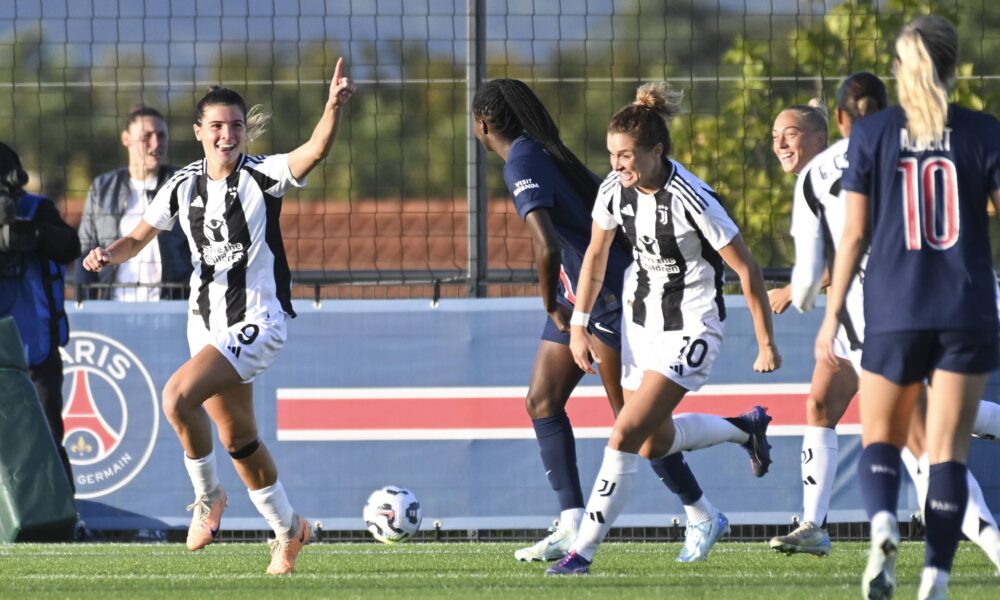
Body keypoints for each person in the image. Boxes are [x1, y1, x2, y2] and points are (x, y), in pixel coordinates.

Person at [471, 79, 770, 564]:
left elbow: (547, 243)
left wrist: (555, 307)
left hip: (614, 300)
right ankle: (572, 523)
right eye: (614, 155)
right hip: (585, 297)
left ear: (481, 124)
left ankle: (695, 512)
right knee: (543, 400)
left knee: (637, 431)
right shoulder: (557, 160)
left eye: (626, 154)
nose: (617, 163)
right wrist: (572, 316)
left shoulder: (523, 161)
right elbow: (586, 243)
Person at [82, 58, 356, 575]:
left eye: (235, 125)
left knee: (176, 397)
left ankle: (208, 500)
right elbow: (138, 237)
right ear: (199, 133)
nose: (227, 134)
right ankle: (289, 530)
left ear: (243, 131)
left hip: (257, 320)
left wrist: (332, 109)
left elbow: (314, 151)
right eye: (217, 126)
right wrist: (106, 254)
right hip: (204, 324)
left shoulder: (261, 175)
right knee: (237, 439)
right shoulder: (183, 185)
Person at [770, 75, 1000, 567]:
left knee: (925, 443)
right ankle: (813, 524)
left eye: (789, 132)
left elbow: (856, 243)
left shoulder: (838, 170)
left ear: (828, 127)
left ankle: (977, 543)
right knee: (820, 403)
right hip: (884, 318)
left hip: (887, 320)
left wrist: (796, 290)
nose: (780, 143)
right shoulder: (908, 154)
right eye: (775, 136)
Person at [815, 16, 1000, 599]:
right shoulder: (982, 131)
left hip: (894, 309)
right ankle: (936, 580)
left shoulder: (873, 135)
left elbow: (853, 236)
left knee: (882, 439)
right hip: (966, 308)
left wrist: (831, 312)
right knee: (947, 452)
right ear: (952, 67)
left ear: (899, 69)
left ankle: (883, 525)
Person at [0, 141, 81, 492]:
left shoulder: (37, 209)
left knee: (48, 433)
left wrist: (33, 234)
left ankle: (61, 515)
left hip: (37, 349)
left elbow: (70, 247)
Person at [76, 104, 191, 301]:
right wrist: (85, 306)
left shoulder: (184, 183)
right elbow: (85, 251)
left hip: (173, 304)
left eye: (161, 135)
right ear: (126, 138)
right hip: (116, 304)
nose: (156, 144)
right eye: (146, 137)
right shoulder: (103, 188)